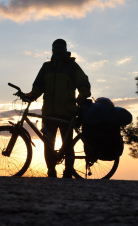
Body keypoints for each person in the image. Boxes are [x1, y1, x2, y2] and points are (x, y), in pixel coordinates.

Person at [26, 39, 91, 178]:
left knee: (68, 144)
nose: (59, 50)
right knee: (48, 144)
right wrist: (30, 96)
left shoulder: (72, 66)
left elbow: (83, 81)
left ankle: (68, 172)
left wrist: (83, 94)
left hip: (67, 112)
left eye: (61, 47)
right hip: (49, 113)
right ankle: (51, 171)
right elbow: (38, 87)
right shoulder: (46, 67)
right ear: (52, 50)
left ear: (65, 49)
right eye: (56, 47)